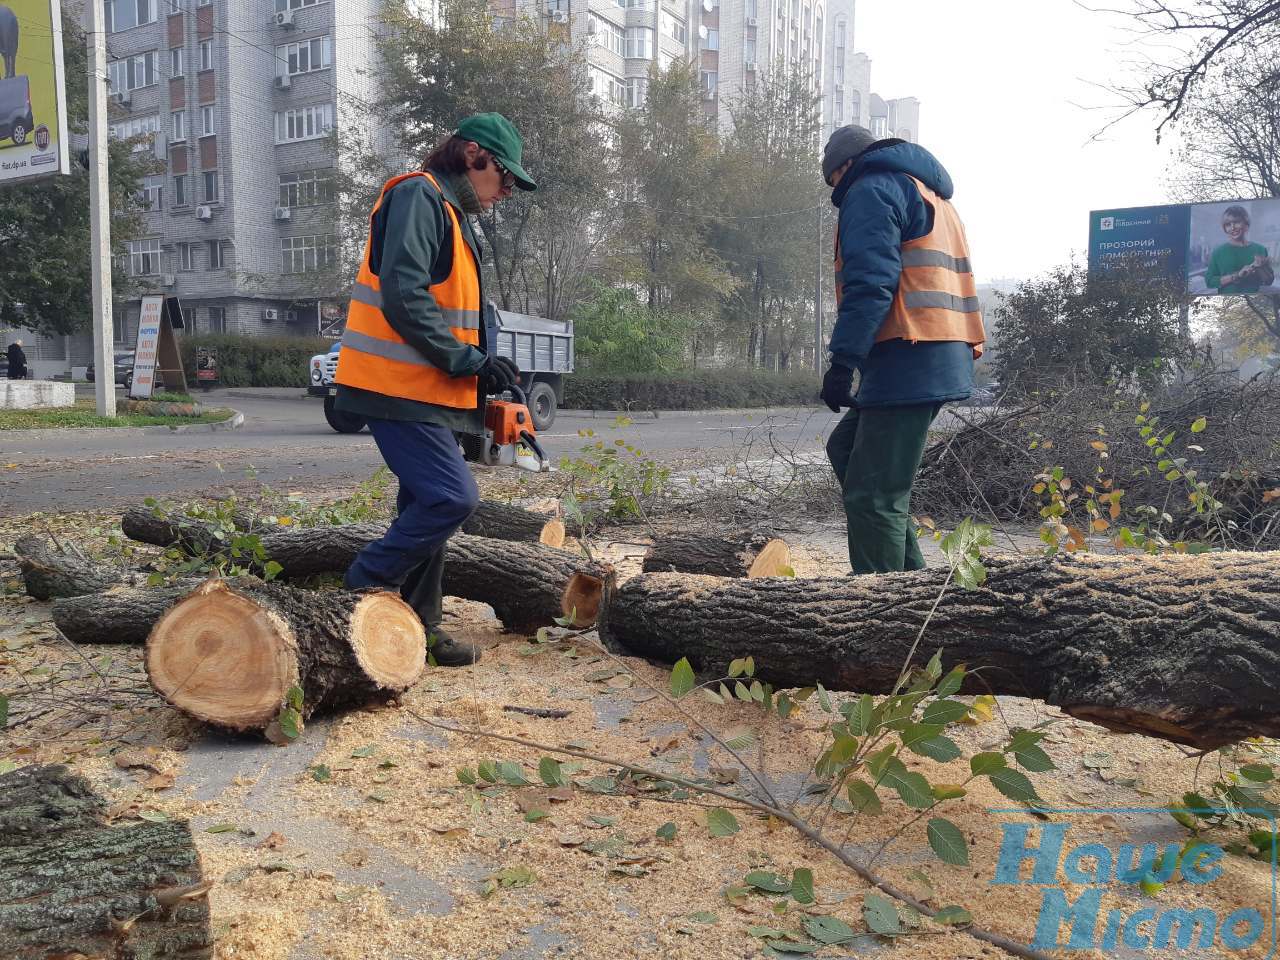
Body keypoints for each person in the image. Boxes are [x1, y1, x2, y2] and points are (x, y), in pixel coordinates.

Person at [333, 113, 535, 666]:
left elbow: (450, 307)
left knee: (422, 509)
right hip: (394, 388)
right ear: (474, 155)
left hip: (426, 391)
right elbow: (405, 294)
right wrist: (465, 359)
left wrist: (486, 364)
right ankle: (358, 586)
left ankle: (422, 624)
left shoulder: (448, 212)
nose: (505, 191)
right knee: (453, 498)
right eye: (505, 177)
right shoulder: (418, 197)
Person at [819, 125, 985, 575]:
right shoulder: (929, 193)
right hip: (934, 352)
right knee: (847, 450)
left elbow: (870, 282)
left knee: (874, 496)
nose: (838, 193)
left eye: (834, 184)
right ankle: (912, 586)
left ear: (845, 167)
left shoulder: (872, 189)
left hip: (910, 354)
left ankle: (882, 612)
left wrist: (843, 360)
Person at [1205, 205, 1274, 295]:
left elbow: (1268, 281)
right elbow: (1209, 281)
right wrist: (1237, 276)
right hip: (1227, 301)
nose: (1232, 227)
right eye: (1228, 224)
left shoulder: (1260, 249)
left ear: (1246, 224)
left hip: (1255, 299)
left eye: (1236, 222)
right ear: (1225, 228)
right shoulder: (1218, 252)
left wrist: (1261, 268)